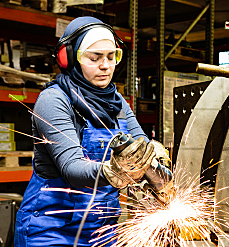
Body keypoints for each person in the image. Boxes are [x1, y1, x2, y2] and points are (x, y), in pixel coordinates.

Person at [14, 16, 158, 247]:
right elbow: (71, 168)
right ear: (69, 58)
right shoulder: (53, 100)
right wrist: (115, 172)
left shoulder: (117, 102)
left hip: (102, 232)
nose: (106, 65)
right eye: (95, 57)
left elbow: (142, 146)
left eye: (112, 57)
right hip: (52, 231)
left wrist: (157, 166)